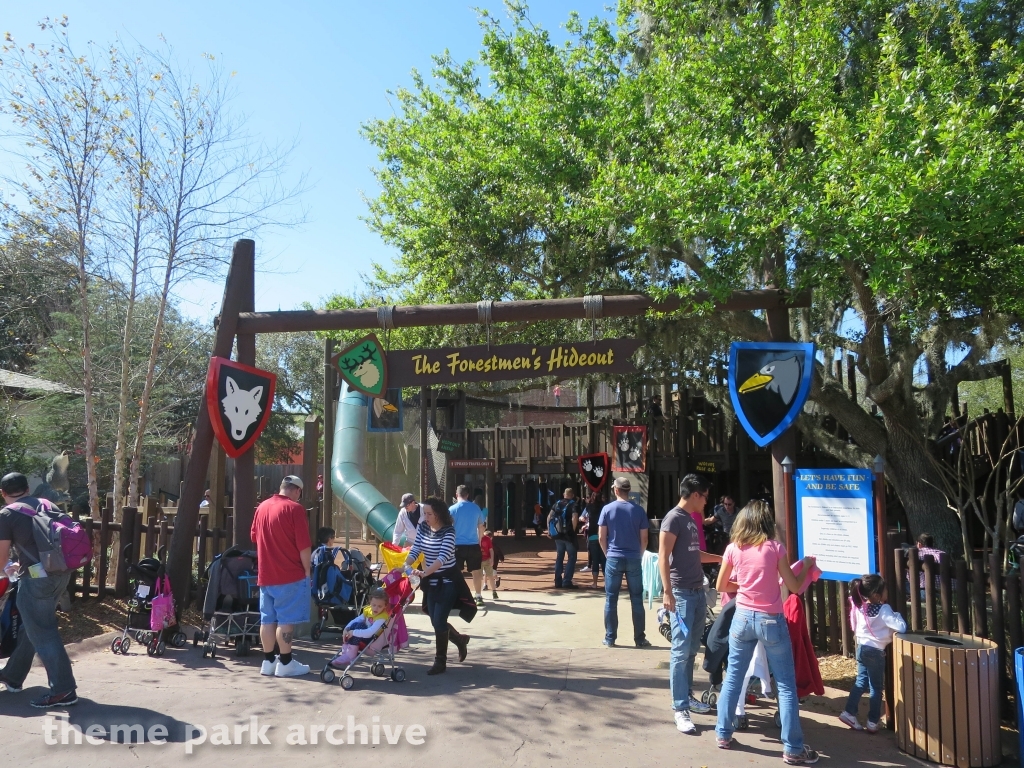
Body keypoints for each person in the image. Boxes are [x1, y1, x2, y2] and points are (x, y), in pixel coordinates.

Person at [714, 501, 818, 764]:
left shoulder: (733, 548)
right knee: (784, 684)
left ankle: (723, 733)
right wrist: (805, 566)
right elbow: (793, 586)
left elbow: (721, 585)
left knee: (734, 677)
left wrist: (745, 584)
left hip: (742, 618)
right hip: (771, 619)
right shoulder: (774, 548)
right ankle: (793, 748)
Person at [0, 472, 78, 707]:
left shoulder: (7, 514)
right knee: (33, 627)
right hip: (61, 574)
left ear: (3, 494)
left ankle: (64, 690)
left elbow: (0, 558)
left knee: (43, 632)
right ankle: (13, 675)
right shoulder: (47, 503)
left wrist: (7, 570)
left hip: (36, 580)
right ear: (26, 488)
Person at [659, 474, 722, 734]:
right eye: (705, 496)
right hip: (682, 594)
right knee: (680, 651)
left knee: (691, 650)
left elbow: (695, 554)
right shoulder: (673, 518)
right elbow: (663, 556)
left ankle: (686, 696)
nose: (706, 502)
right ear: (695, 494)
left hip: (697, 593)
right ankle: (680, 708)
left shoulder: (691, 521)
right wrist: (667, 592)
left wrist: (723, 558)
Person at [250, 475, 312, 678]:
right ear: (297, 491)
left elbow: (254, 537)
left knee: (267, 620)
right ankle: (285, 662)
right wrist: (307, 571)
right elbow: (304, 545)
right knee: (286, 620)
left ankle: (268, 661)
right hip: (289, 574)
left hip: (265, 574)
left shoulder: (261, 507)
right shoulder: (295, 509)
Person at [404, 497, 471, 675]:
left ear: (439, 514)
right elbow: (416, 548)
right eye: (424, 513)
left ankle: (440, 661)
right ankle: (459, 639)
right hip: (431, 582)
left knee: (439, 620)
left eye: (429, 514)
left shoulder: (449, 532)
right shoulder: (424, 527)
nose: (425, 517)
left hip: (448, 581)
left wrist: (424, 573)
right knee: (435, 620)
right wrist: (407, 564)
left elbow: (442, 558)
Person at [839, 574, 906, 733]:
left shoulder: (860, 607)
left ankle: (849, 712)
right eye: (885, 589)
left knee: (860, 682)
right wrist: (897, 616)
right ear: (877, 595)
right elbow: (902, 627)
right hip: (876, 652)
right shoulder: (884, 609)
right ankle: (872, 721)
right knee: (876, 687)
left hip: (861, 648)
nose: (887, 591)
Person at [598, 476, 651, 648]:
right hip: (634, 557)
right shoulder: (639, 510)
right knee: (637, 599)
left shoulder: (607, 509)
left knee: (611, 598)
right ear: (628, 490)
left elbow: (601, 537)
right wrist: (639, 554)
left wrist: (608, 554)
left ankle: (610, 638)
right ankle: (640, 638)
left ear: (616, 490)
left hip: (613, 557)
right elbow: (644, 539)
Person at [327, 587, 391, 669]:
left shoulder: (382, 617)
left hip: (371, 639)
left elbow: (370, 632)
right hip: (361, 635)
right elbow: (357, 619)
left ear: (385, 606)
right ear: (370, 602)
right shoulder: (368, 610)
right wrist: (346, 629)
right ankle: (346, 653)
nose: (376, 608)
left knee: (360, 626)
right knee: (356, 624)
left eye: (379, 606)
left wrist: (353, 632)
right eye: (374, 605)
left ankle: (350, 655)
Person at [450, 485, 486, 606]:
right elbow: (481, 527)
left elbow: (448, 529)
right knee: (476, 572)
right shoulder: (476, 508)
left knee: (457, 573)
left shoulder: (452, 509)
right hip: (473, 544)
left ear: (457, 495)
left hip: (457, 546)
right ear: (468, 495)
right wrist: (480, 542)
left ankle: (459, 597)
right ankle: (478, 596)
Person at [549, 488, 580, 590]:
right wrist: (573, 530)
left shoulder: (557, 503)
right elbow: (575, 517)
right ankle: (567, 581)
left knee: (559, 557)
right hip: (568, 535)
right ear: (572, 495)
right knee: (571, 557)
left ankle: (558, 581)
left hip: (558, 535)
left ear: (564, 494)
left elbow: (549, 516)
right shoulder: (573, 504)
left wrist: (550, 531)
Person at [580, 492, 606, 588]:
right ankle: (606, 582)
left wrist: (585, 520)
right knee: (604, 560)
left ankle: (595, 583)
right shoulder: (605, 507)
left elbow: (581, 517)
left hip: (592, 535)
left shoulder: (589, 507)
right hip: (603, 535)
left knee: (595, 560)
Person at [480, 529, 498, 600]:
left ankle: (494, 592)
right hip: (479, 560)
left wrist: (492, 559)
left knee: (490, 576)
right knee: (478, 577)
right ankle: (478, 594)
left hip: (487, 559)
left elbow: (491, 550)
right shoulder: (475, 538)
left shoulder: (487, 539)